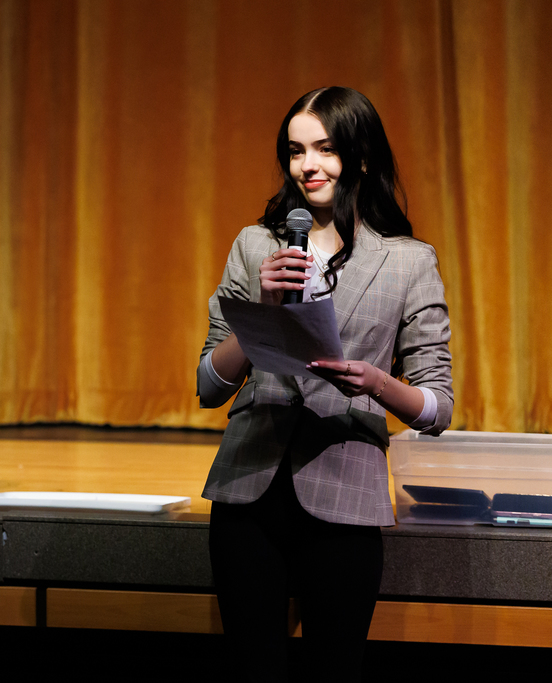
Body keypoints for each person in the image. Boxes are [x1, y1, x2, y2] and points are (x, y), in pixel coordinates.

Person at [197, 87, 452, 682]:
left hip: (346, 495)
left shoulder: (408, 261)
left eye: (325, 149)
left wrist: (376, 382)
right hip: (247, 493)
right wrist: (259, 310)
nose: (307, 165)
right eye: (295, 151)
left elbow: (437, 407)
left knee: (334, 673)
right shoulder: (255, 245)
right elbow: (209, 384)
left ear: (360, 156)